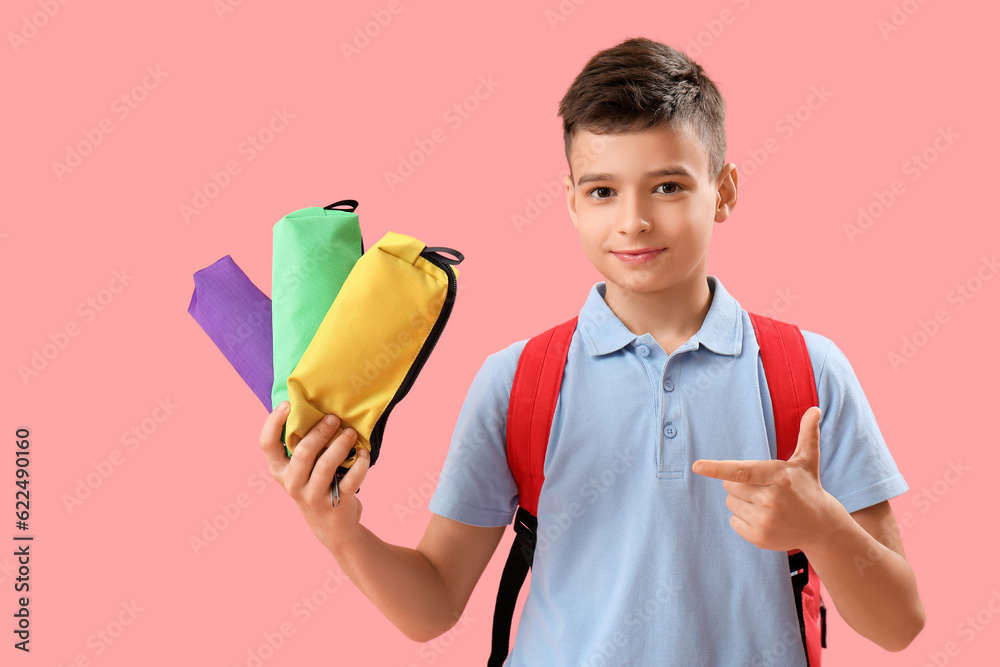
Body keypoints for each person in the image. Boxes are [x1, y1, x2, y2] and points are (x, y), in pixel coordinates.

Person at [259, 36, 925, 665]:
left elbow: (900, 623)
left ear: (722, 191)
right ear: (573, 204)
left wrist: (825, 528)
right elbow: (432, 603)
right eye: (603, 191)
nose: (633, 219)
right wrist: (340, 530)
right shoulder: (517, 380)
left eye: (667, 186)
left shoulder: (807, 370)